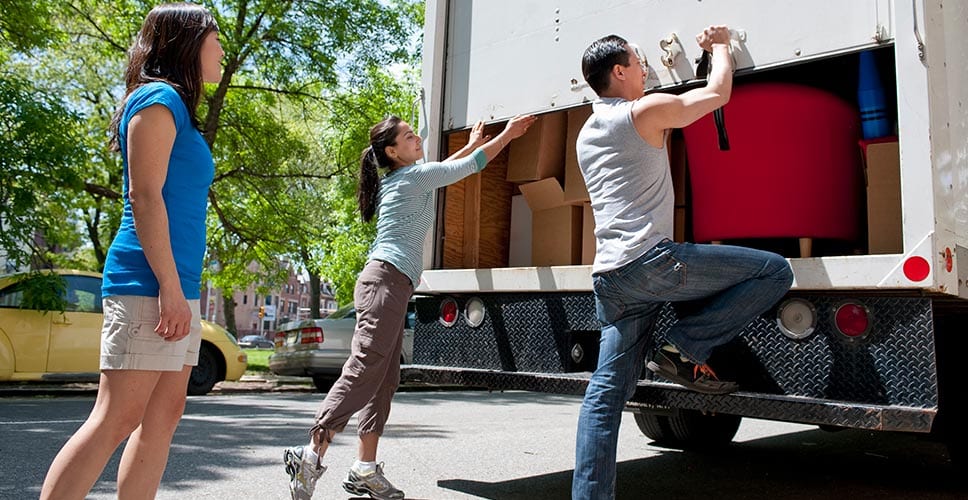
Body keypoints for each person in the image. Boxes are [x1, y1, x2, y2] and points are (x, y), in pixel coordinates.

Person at [571, 28, 794, 499]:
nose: (646, 67)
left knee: (604, 395)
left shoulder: (587, 131)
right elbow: (718, 94)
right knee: (775, 270)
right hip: (652, 263)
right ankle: (681, 347)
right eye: (638, 60)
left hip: (610, 278)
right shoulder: (643, 112)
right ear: (619, 71)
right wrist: (719, 46)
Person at [283, 113, 537, 500]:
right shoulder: (412, 179)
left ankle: (364, 468)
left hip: (391, 284)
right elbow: (470, 167)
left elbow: (451, 167)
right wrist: (508, 134)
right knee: (365, 369)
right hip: (384, 282)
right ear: (392, 151)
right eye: (407, 135)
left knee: (384, 379)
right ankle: (310, 452)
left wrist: (472, 142)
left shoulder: (405, 178)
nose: (416, 136)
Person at [40, 3, 223, 499]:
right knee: (115, 417)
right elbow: (144, 197)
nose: (222, 49)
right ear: (186, 43)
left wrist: (180, 287)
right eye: (215, 37)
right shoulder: (157, 100)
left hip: (175, 283)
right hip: (147, 281)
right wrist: (166, 284)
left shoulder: (179, 109)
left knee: (162, 419)